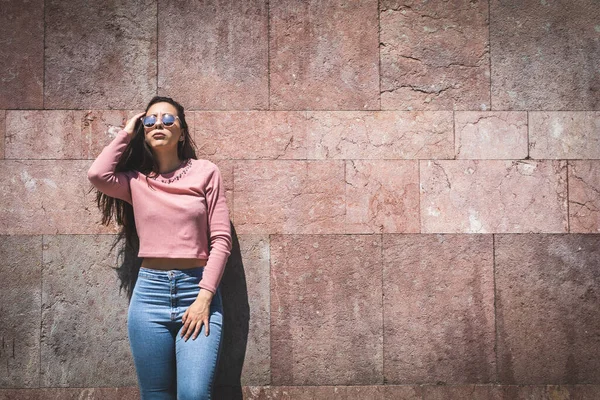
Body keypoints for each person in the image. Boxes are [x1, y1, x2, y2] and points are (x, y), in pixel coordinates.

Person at [87, 95, 232, 400]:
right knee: (155, 396)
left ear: (182, 131)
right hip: (149, 296)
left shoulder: (206, 172)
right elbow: (98, 175)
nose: (158, 124)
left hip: (197, 290)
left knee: (193, 395)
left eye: (168, 119)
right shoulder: (136, 181)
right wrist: (127, 131)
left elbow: (221, 239)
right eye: (150, 120)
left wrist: (205, 297)